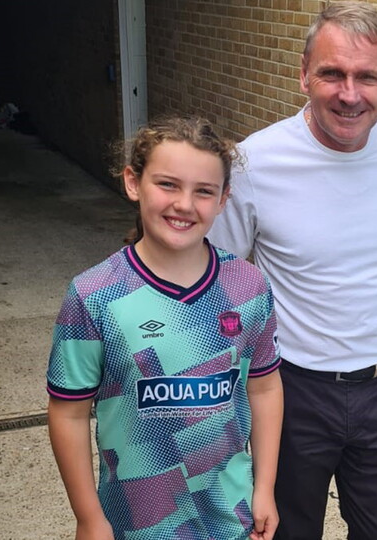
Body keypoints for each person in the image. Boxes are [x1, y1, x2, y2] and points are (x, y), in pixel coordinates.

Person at [208, 2, 377, 538]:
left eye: (367, 76)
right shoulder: (256, 162)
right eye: (331, 73)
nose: (349, 93)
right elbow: (215, 277)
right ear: (303, 75)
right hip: (290, 393)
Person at [46, 116, 283, 540]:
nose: (184, 204)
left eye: (204, 191)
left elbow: (264, 388)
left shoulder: (248, 287)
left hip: (228, 518)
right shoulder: (94, 295)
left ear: (224, 199)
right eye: (167, 184)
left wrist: (264, 488)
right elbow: (68, 412)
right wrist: (88, 517)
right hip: (135, 522)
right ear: (133, 182)